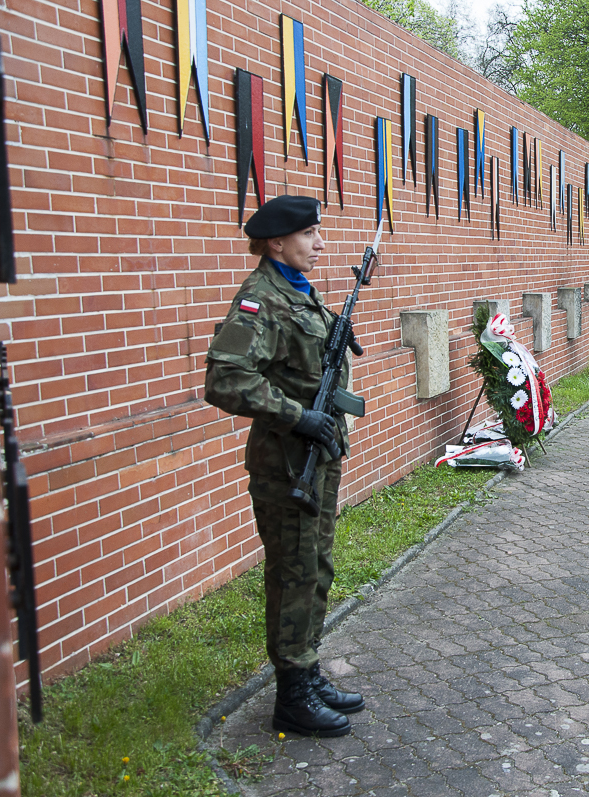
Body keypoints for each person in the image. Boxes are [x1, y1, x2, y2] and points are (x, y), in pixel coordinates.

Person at [204, 195, 364, 737]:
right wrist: (298, 416)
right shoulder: (261, 298)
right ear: (277, 242)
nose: (320, 244)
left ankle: (307, 669)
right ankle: (291, 696)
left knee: (315, 567)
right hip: (288, 461)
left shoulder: (297, 289)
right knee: (294, 571)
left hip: (319, 454)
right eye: (309, 234)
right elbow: (225, 379)